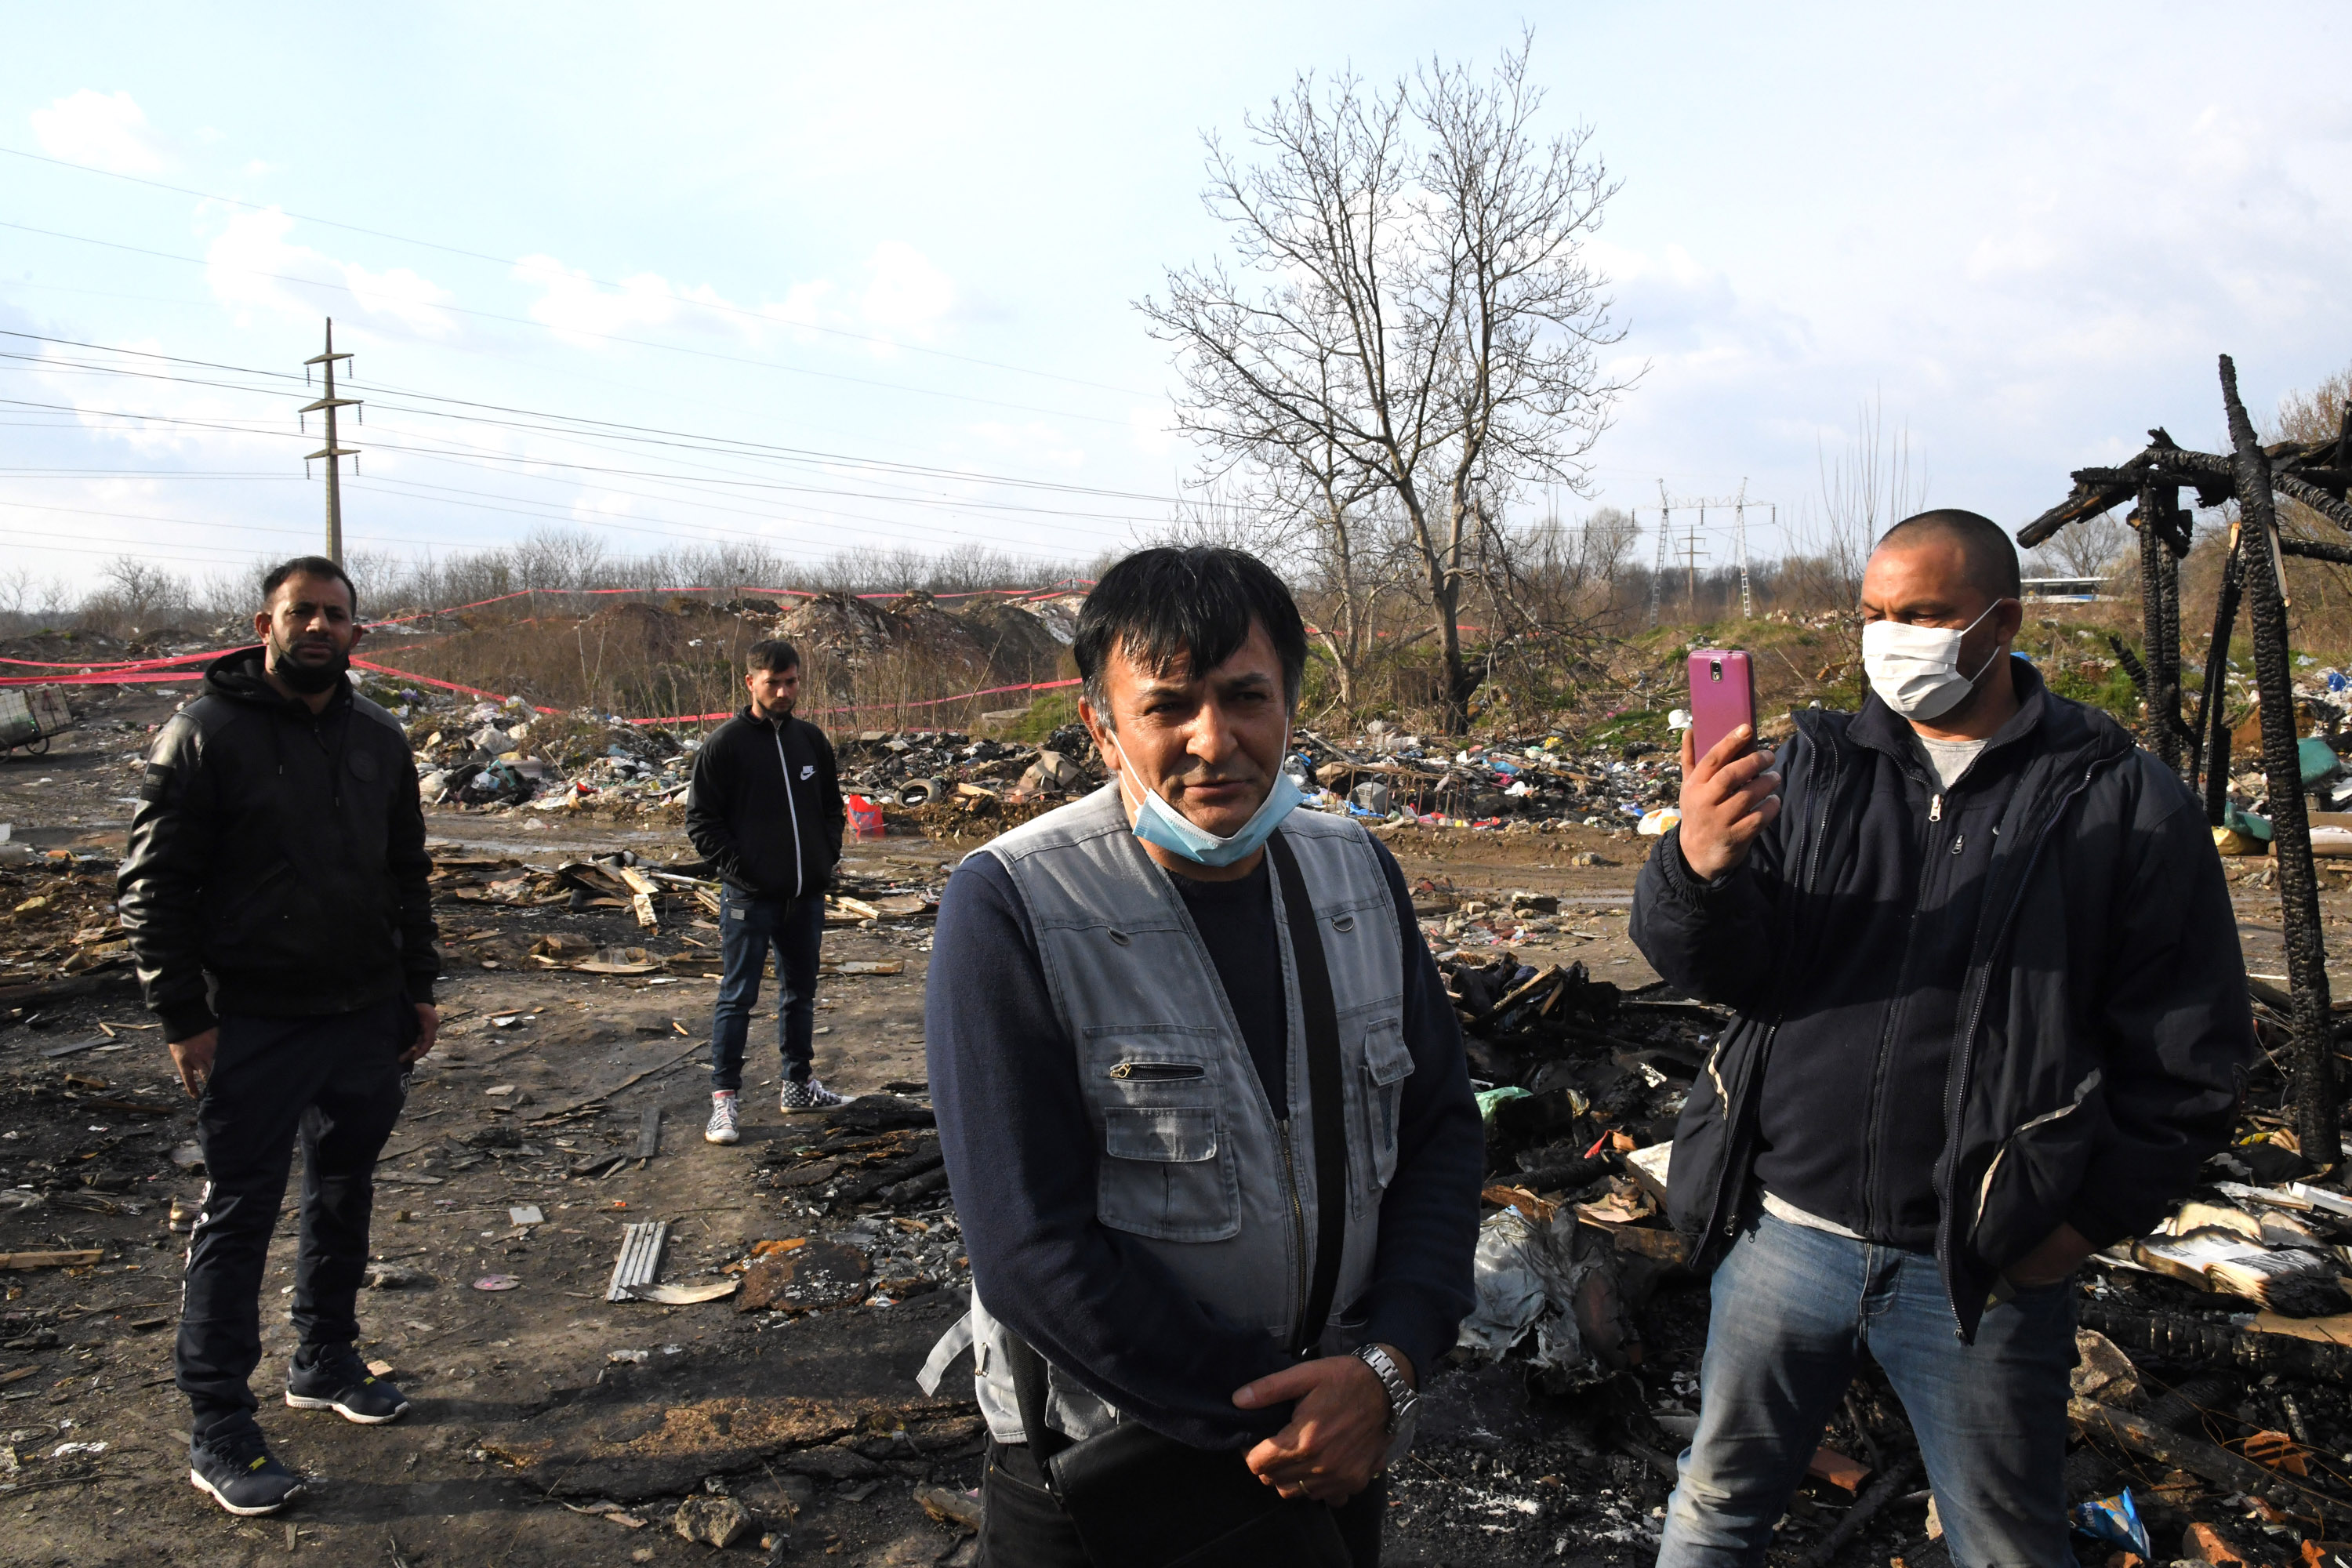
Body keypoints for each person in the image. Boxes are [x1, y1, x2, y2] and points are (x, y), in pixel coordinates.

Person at [1634, 510, 2255, 1568]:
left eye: (1921, 614)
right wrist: (1696, 866)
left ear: (2002, 622)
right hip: (1784, 1241)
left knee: (2004, 1542)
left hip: (1978, 1273)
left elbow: (2190, 1054)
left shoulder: (2117, 801)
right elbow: (1719, 972)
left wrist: (2072, 1232)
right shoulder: (1814, 771)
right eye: (1873, 613)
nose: (1889, 638)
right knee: (1715, 1507)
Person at [923, 546, 1483, 1567]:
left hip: (1336, 1446)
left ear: (1290, 706)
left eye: (1246, 697)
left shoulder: (1357, 874)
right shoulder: (1014, 905)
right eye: (1168, 706)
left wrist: (1388, 1366)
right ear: (1102, 727)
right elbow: (1029, 1247)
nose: (1214, 740)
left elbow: (1441, 1130)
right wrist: (1281, 1412)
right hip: (1114, 1471)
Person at [118, 556, 441, 1517]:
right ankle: (219, 1425)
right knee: (240, 1211)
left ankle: (325, 1356)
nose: (317, 627)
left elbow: (406, 871)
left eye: (334, 615)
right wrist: (184, 1015)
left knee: (345, 1186)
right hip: (254, 1020)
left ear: (355, 633)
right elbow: (153, 885)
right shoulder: (205, 733)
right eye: (301, 612)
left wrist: (417, 987)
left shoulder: (378, 735)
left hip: (363, 1014)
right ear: (265, 624)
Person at [685, 637, 848, 1141]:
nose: (783, 692)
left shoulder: (810, 741)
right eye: (773, 682)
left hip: (805, 896)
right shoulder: (725, 745)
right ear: (750, 682)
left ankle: (798, 1086)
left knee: (800, 993)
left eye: (791, 682)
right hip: (750, 899)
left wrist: (824, 858)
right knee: (738, 995)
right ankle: (724, 1101)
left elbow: (831, 806)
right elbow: (701, 822)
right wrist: (746, 872)